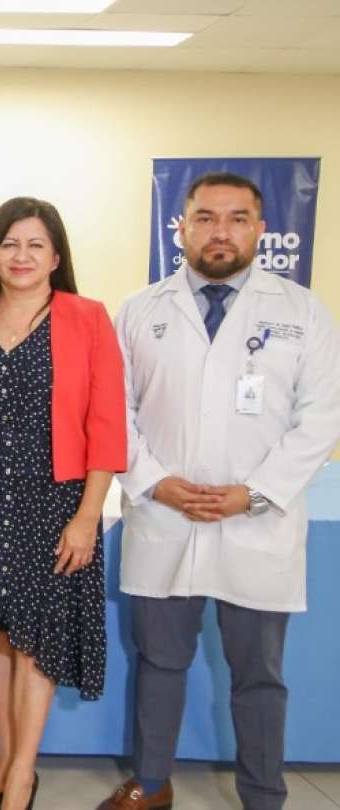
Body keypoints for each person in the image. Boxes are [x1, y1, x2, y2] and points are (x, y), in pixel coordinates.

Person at [97, 172, 340, 810]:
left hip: (257, 525)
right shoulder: (140, 310)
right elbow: (112, 411)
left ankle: (264, 794)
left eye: (237, 218)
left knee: (259, 676)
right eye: (205, 217)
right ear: (182, 226)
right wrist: (155, 481)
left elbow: (320, 419)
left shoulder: (302, 313)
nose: (221, 231)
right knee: (159, 664)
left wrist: (253, 493)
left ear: (261, 229)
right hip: (163, 517)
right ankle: (150, 784)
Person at [0, 197, 127, 810]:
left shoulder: (87, 318)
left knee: (35, 637)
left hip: (56, 503)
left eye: (35, 245)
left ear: (56, 257)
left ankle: (19, 779)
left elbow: (106, 424)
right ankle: (7, 770)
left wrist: (88, 517)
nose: (21, 256)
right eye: (10, 244)